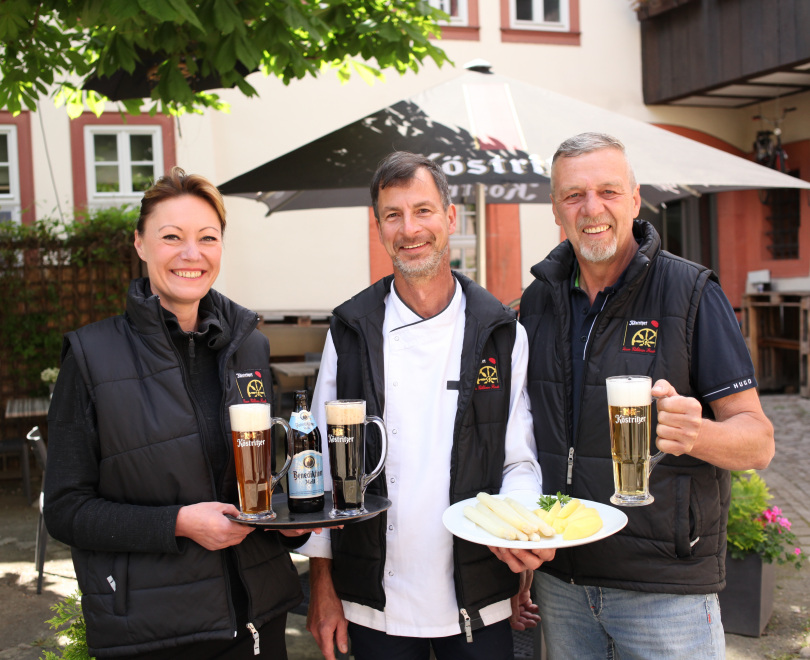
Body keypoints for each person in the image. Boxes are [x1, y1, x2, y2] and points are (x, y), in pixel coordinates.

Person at [519, 132, 775, 659]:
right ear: (556, 210)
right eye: (574, 196)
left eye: (609, 191)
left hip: (664, 591)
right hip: (562, 582)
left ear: (635, 200)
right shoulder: (538, 300)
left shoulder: (690, 292)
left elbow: (759, 442)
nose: (593, 209)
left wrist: (698, 434)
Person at [44, 167, 311, 659]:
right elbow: (65, 511)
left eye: (207, 238)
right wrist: (179, 523)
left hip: (260, 618)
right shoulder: (91, 357)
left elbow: (263, 481)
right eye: (172, 237)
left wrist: (293, 520)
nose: (192, 254)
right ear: (140, 244)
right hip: (157, 633)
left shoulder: (249, 347)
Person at [301, 151, 553, 660]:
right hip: (374, 599)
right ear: (379, 228)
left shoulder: (501, 332)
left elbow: (520, 459)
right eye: (393, 215)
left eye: (423, 211)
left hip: (480, 595)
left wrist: (521, 532)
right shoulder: (350, 331)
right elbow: (325, 470)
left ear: (450, 217)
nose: (409, 229)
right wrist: (322, 586)